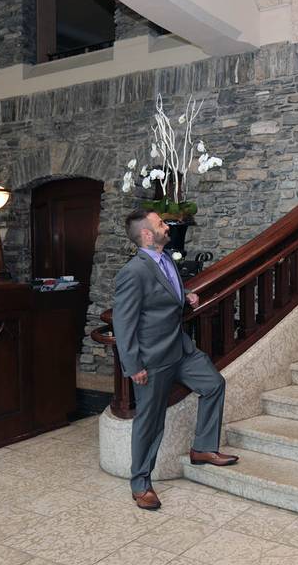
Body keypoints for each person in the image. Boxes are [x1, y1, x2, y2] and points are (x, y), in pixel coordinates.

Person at [113, 209, 238, 510]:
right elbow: (123, 322)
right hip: (153, 360)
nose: (166, 226)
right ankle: (140, 483)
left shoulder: (165, 257)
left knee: (213, 384)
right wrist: (133, 366)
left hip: (181, 349)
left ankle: (203, 448)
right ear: (146, 234)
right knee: (150, 422)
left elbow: (167, 287)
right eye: (160, 224)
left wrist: (187, 293)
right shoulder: (133, 272)